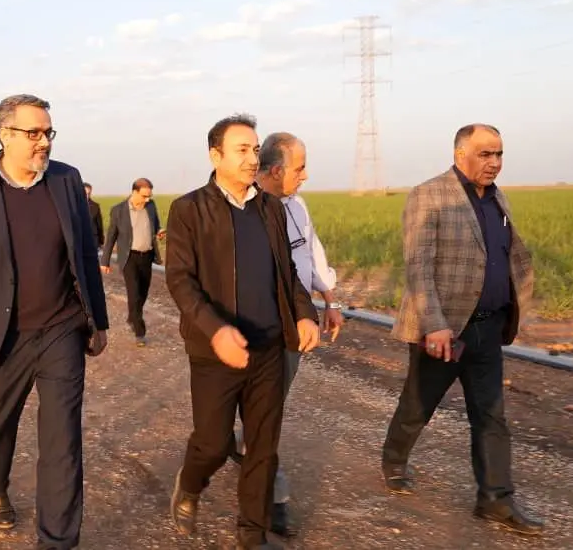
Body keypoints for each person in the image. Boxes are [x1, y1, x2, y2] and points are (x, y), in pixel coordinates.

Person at [0, 93, 109, 550]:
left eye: (48, 132)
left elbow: (84, 255)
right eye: (33, 133)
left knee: (62, 441)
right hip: (1, 336)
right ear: (4, 134)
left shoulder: (67, 179)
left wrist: (99, 320)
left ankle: (57, 540)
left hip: (61, 329)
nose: (44, 142)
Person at [165, 113, 320, 550]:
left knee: (262, 449)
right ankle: (191, 484)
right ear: (215, 156)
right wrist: (216, 331)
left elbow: (288, 273)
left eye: (255, 149)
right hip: (215, 352)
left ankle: (252, 535)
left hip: (268, 348)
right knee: (213, 444)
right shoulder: (189, 209)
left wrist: (304, 314)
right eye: (242, 150)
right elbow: (180, 280)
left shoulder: (271, 208)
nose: (253, 158)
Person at [381, 123, 542, 535]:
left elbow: (506, 255)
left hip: (488, 329)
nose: (494, 162)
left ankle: (495, 499)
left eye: (499, 154)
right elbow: (418, 266)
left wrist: (515, 303)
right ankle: (394, 460)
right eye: (485, 154)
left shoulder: (498, 199)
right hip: (444, 330)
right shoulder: (430, 195)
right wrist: (435, 326)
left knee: (491, 416)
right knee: (418, 404)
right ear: (460, 155)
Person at [227, 132, 345, 537]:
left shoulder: (297, 205)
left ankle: (242, 446)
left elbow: (311, 253)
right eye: (300, 168)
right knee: (261, 414)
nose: (305, 176)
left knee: (267, 412)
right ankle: (271, 497)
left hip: (294, 325)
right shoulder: (246, 208)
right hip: (254, 327)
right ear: (276, 170)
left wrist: (330, 300)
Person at [100, 178, 165, 346]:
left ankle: (132, 317)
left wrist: (159, 231)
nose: (147, 199)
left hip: (147, 257)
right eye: (144, 196)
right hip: (129, 258)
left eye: (149, 196)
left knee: (142, 293)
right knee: (134, 293)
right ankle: (139, 332)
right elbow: (111, 236)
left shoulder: (151, 206)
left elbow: (155, 226)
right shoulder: (118, 210)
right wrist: (105, 261)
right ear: (134, 192)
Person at [83, 182, 104, 252]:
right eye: (85, 193)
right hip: (80, 241)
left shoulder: (95, 206)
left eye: (89, 193)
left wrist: (101, 241)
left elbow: (99, 225)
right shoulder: (74, 206)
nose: (87, 196)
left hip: (93, 241)